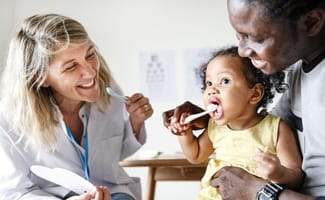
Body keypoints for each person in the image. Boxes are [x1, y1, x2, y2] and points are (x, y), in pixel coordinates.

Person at [163, 0, 325, 199]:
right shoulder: (297, 69)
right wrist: (206, 122)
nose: (242, 51)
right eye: (239, 37)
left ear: (311, 22)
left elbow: (275, 136)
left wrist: (260, 191)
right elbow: (256, 125)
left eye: (256, 38)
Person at [0, 14, 153, 200]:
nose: (90, 73)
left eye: (90, 55)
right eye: (71, 67)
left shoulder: (109, 91)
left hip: (114, 193)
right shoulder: (8, 121)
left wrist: (135, 122)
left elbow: (117, 153)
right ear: (40, 77)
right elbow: (14, 193)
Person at [168, 46, 303, 200]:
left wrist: (279, 173)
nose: (212, 90)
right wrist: (184, 133)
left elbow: (297, 177)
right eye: (209, 83)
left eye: (224, 81)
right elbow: (195, 155)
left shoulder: (276, 129)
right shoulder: (216, 127)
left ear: (255, 94)